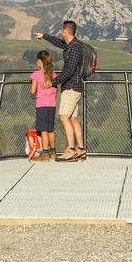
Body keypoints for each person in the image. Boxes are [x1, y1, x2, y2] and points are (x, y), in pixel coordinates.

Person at [35, 20, 86, 161]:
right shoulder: (70, 45)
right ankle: (81, 149)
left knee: (63, 117)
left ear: (65, 31)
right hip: (74, 87)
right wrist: (44, 36)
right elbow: (58, 42)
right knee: (73, 118)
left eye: (61, 31)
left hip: (71, 87)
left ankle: (71, 149)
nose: (60, 34)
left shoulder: (75, 48)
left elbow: (69, 70)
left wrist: (53, 82)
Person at [29, 49, 57, 161]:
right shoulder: (54, 75)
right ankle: (53, 152)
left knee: (43, 130)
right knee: (50, 130)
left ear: (39, 62)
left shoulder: (36, 74)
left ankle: (45, 154)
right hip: (52, 105)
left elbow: (32, 91)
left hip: (41, 105)